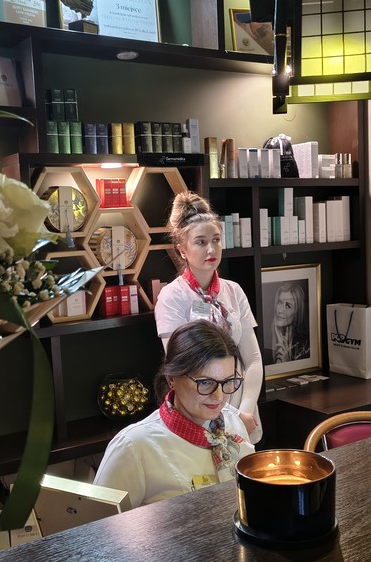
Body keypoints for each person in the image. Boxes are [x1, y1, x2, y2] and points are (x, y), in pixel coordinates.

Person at [93, 320, 255, 508]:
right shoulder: (134, 446)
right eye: (205, 382)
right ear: (171, 379)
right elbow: (97, 522)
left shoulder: (233, 424)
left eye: (228, 381)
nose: (218, 396)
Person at [154, 192, 263, 442]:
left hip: (242, 408)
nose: (211, 249)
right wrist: (227, 414)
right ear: (182, 250)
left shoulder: (234, 291)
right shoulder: (172, 297)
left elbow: (253, 359)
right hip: (196, 411)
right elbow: (182, 369)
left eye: (216, 240)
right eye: (201, 242)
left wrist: (244, 411)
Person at [270, 281, 310, 363]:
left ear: (297, 311)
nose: (280, 311)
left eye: (288, 306)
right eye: (280, 302)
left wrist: (286, 362)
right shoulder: (268, 335)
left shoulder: (305, 343)